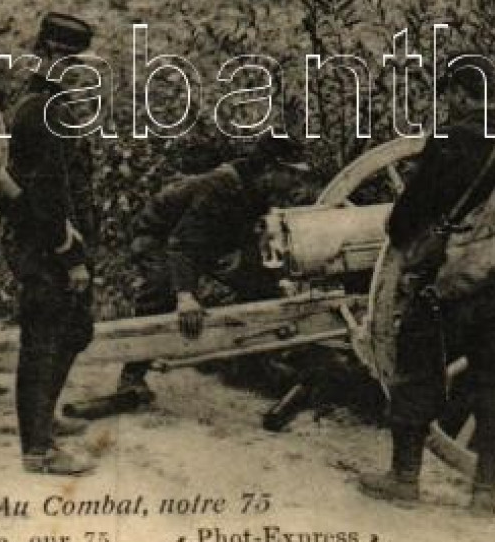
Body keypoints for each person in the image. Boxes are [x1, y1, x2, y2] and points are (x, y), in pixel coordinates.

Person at [357, 78, 495, 515]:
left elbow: (403, 222)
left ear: (460, 96)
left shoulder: (446, 140)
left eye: (449, 96)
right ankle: (485, 493)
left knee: (417, 371)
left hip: (444, 288)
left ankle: (404, 479)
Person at [65, 136, 311, 419]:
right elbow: (180, 244)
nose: (295, 181)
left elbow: (247, 231)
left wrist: (269, 274)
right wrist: (185, 295)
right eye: (291, 173)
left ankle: (256, 361)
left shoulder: (257, 187)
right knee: (162, 287)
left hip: (205, 242)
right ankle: (132, 375)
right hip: (158, 237)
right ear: (270, 169)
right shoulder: (220, 186)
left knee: (259, 283)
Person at [0, 12, 100, 476]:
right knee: (43, 342)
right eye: (81, 63)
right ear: (58, 56)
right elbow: (47, 192)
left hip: (54, 238)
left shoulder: (45, 101)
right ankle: (38, 449)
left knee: (76, 331)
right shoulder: (45, 111)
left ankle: (45, 418)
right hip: (46, 245)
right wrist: (68, 253)